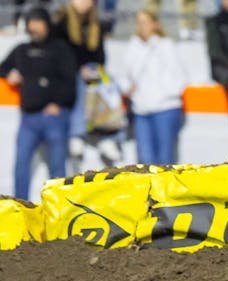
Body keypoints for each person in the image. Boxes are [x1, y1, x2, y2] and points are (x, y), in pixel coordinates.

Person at [0, 7, 75, 200]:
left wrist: (58, 103)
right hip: (29, 118)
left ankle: (59, 207)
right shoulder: (22, 50)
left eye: (37, 23)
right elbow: (3, 67)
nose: (33, 28)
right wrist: (10, 74)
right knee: (21, 163)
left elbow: (70, 82)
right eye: (30, 23)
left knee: (57, 167)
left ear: (46, 24)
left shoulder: (60, 49)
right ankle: (20, 206)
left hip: (54, 118)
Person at [52, 0, 121, 170]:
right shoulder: (62, 22)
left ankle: (109, 135)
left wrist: (94, 69)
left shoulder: (95, 24)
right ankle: (77, 133)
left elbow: (100, 56)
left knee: (109, 83)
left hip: (90, 72)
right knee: (80, 83)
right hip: (68, 74)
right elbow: (60, 53)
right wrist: (79, 68)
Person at [113, 9, 186, 165]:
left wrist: (163, 94)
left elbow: (180, 77)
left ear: (155, 24)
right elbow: (122, 75)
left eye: (146, 22)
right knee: (144, 160)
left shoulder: (166, 45)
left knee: (165, 159)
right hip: (141, 110)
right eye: (139, 22)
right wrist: (128, 89)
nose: (142, 26)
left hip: (166, 109)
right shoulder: (133, 47)